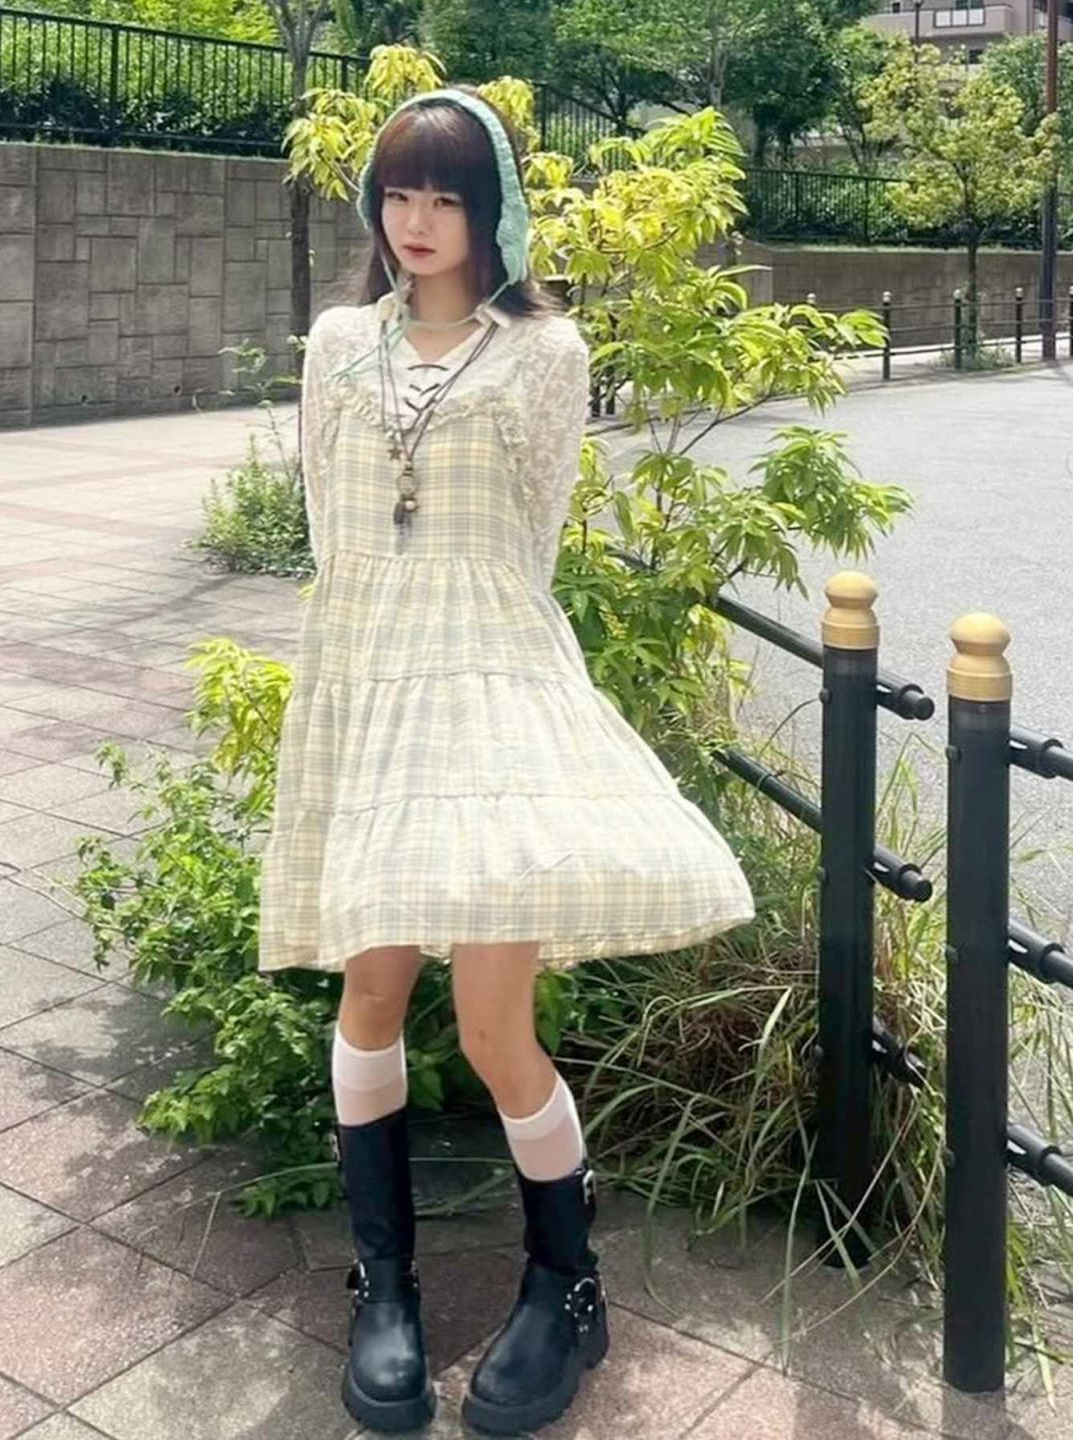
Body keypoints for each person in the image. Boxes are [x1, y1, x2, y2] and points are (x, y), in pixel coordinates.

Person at [256, 84, 755, 1436]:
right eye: (398, 194)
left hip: (486, 686)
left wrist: (470, 642)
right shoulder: (339, 343)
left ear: (494, 211)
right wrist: (366, 654)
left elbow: (531, 541)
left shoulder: (544, 352)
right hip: (369, 680)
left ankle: (566, 1285)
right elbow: (330, 529)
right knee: (369, 996)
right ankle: (385, 1288)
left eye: (447, 197)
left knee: (492, 1025)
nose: (417, 222)